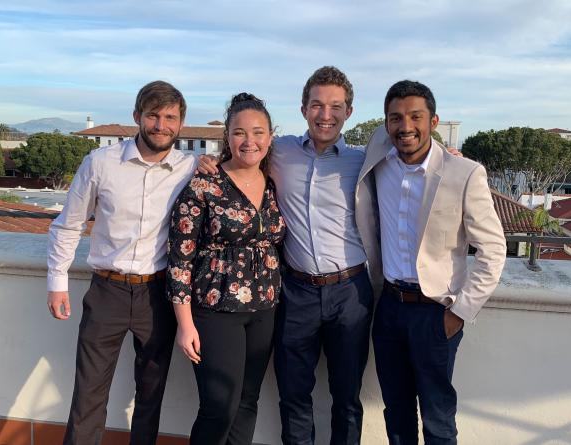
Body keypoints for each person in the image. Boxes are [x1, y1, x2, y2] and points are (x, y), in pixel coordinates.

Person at [198, 66, 373, 445]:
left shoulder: (363, 160)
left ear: (349, 112)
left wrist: (447, 152)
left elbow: (411, 161)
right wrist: (202, 161)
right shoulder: (281, 152)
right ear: (303, 108)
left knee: (346, 398)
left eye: (335, 107)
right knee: (293, 395)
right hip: (296, 293)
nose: (325, 115)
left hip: (351, 292)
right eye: (317, 105)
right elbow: (243, 151)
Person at [355, 80, 506, 444]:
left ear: (434, 121)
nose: (405, 126)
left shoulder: (464, 173)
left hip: (436, 312)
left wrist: (459, 312)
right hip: (389, 308)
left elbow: (494, 249)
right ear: (385, 123)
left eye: (415, 116)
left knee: (438, 417)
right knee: (397, 412)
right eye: (395, 118)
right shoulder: (379, 153)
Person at [47, 80, 197, 445]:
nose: (161, 125)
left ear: (180, 123)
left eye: (170, 118)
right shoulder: (100, 163)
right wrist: (57, 281)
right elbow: (69, 224)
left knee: (150, 395)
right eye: (153, 116)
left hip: (158, 295)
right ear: (137, 117)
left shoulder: (190, 166)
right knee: (88, 394)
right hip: (106, 292)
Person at [167, 93, 286, 445]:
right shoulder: (204, 183)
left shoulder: (275, 182)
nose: (249, 141)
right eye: (239, 133)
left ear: (270, 136)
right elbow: (180, 257)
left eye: (258, 132)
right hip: (215, 310)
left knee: (248, 402)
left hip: (265, 308)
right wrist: (184, 323)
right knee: (219, 404)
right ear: (227, 137)